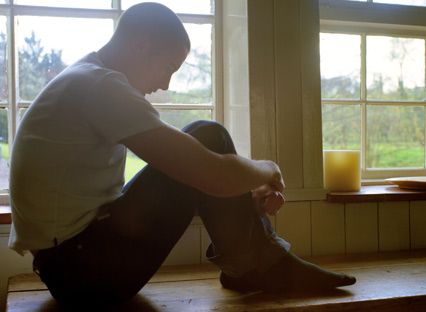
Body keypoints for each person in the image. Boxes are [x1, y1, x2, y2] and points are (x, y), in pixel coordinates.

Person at [8, 2, 356, 309]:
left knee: (203, 146)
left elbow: (204, 177)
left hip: (73, 268)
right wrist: (269, 169)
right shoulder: (100, 86)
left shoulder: (86, 79)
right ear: (142, 45)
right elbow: (212, 175)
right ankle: (263, 265)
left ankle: (251, 266)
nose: (166, 85)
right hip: (84, 273)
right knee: (209, 137)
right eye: (169, 67)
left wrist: (238, 200)